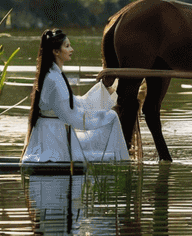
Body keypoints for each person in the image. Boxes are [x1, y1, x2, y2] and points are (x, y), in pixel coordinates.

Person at [21, 29, 129, 165]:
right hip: (52, 140)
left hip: (52, 132)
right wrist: (101, 118)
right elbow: (69, 116)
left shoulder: (54, 75)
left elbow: (73, 103)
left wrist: (103, 91)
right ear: (56, 51)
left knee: (108, 118)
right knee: (110, 118)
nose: (71, 49)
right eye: (67, 46)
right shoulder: (55, 79)